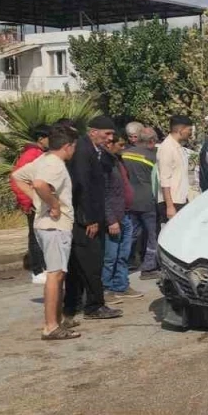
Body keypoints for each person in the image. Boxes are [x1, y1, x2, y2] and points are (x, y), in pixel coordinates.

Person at [12, 126, 79, 340]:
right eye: (74, 147)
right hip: (54, 226)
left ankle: (55, 321)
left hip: (45, 225)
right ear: (67, 146)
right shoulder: (55, 164)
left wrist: (36, 200)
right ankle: (51, 326)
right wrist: (53, 204)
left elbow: (18, 176)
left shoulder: (43, 159)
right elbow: (40, 184)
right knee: (55, 273)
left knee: (58, 273)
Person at [64, 115, 123, 321]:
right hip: (86, 219)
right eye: (107, 134)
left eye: (112, 134)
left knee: (81, 264)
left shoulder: (95, 151)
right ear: (93, 132)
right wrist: (89, 219)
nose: (110, 138)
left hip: (90, 216)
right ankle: (94, 305)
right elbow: (82, 187)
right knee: (90, 263)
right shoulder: (83, 151)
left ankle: (73, 305)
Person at [102, 136, 142, 300]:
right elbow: (104, 194)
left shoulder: (118, 161)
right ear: (110, 144)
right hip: (114, 217)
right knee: (110, 256)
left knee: (123, 254)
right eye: (120, 144)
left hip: (125, 214)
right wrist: (111, 219)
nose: (123, 148)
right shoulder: (104, 164)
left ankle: (121, 285)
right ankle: (106, 288)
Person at [11, 125, 51, 285]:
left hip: (41, 202)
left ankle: (44, 267)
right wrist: (28, 202)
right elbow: (17, 179)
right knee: (35, 237)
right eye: (50, 138)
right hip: (33, 204)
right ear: (41, 139)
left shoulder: (40, 154)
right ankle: (37, 270)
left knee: (42, 236)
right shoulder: (31, 155)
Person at [123, 127, 160, 279]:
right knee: (152, 235)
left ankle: (124, 264)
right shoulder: (152, 157)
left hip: (129, 200)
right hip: (147, 201)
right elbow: (157, 181)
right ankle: (148, 268)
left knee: (131, 234)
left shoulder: (124, 153)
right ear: (151, 141)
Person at [157, 115, 193, 224]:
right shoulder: (167, 148)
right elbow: (164, 179)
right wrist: (170, 206)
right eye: (189, 130)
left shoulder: (178, 147)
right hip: (173, 202)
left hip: (180, 199)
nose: (190, 133)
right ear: (181, 130)